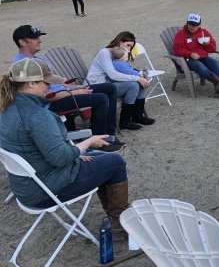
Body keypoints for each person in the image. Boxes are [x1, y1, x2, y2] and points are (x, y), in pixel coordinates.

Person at [0, 59, 129, 229]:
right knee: (115, 162)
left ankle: (116, 219)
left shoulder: (7, 108)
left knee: (98, 159)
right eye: (46, 83)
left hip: (26, 187)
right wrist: (89, 141)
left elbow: (38, 149)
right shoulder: (37, 115)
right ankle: (119, 224)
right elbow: (61, 159)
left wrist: (77, 151)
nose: (49, 87)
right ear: (31, 83)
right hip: (44, 191)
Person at [12, 25, 123, 152]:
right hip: (52, 102)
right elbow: (44, 96)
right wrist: (74, 92)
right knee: (101, 99)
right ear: (22, 42)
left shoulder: (36, 59)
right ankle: (99, 142)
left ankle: (109, 133)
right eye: (34, 38)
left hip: (63, 92)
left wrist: (75, 87)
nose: (39, 40)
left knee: (109, 88)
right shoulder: (23, 66)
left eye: (39, 37)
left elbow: (55, 81)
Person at [87, 31, 154, 130]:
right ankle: (125, 121)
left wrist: (139, 78)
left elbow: (122, 70)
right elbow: (113, 75)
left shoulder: (117, 53)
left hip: (108, 85)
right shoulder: (104, 53)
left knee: (140, 83)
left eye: (130, 47)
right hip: (97, 87)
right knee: (134, 85)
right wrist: (137, 78)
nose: (128, 49)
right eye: (127, 45)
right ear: (120, 41)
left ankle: (137, 116)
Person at [172, 13, 219, 93]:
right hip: (187, 60)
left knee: (216, 64)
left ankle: (218, 88)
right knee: (200, 66)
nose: (192, 27)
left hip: (203, 57)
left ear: (199, 25)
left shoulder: (204, 33)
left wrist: (208, 44)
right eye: (190, 24)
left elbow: (212, 49)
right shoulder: (180, 34)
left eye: (195, 25)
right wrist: (190, 54)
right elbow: (177, 49)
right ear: (187, 23)